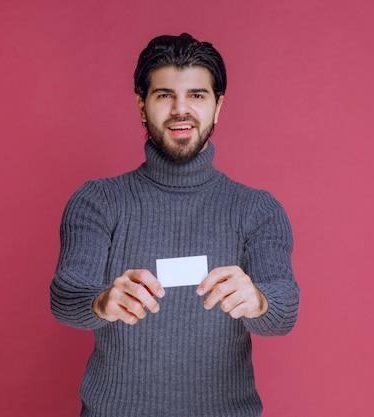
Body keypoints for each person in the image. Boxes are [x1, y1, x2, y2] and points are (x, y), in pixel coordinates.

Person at [50, 33, 300, 417]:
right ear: (142, 104)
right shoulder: (98, 201)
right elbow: (66, 294)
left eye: (197, 96)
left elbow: (284, 308)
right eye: (165, 95)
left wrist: (260, 301)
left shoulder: (257, 209)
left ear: (218, 107)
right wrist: (100, 302)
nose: (180, 110)